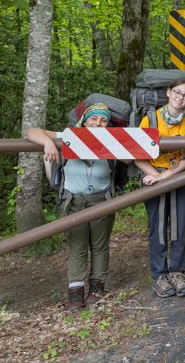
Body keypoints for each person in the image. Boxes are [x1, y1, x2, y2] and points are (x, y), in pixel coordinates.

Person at [27, 104, 120, 310]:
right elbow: (32, 131)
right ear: (85, 121)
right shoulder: (69, 135)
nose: (98, 124)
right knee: (77, 246)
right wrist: (49, 144)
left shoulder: (114, 141)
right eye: (94, 119)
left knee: (99, 246)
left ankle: (97, 289)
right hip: (73, 201)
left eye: (103, 121)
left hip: (101, 199)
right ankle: (76, 293)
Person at [133, 77, 185, 298]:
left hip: (180, 176)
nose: (181, 98)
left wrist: (168, 176)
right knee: (158, 227)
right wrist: (156, 175)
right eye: (177, 92)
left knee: (179, 227)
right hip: (153, 177)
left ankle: (177, 272)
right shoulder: (150, 120)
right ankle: (160, 276)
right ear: (168, 92)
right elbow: (137, 155)